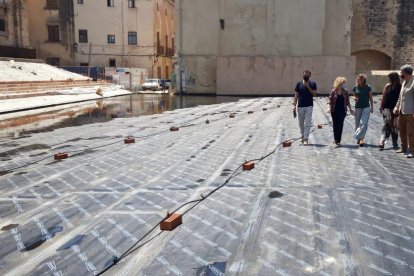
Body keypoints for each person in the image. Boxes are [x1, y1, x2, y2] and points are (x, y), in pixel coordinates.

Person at [394, 65, 414, 158]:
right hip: (402, 111)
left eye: (401, 72)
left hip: (411, 112)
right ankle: (404, 147)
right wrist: (397, 107)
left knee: (411, 132)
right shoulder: (404, 82)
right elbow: (400, 97)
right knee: (401, 130)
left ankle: (412, 150)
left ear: (406, 73)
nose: (400, 74)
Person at [292, 70, 317, 145]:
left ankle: (306, 138)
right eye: (305, 74)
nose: (306, 75)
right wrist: (294, 104)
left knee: (308, 123)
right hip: (300, 106)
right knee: (301, 123)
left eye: (307, 74)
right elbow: (296, 95)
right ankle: (303, 135)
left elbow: (315, 94)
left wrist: (308, 87)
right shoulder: (298, 84)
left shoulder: (313, 84)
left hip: (309, 106)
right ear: (303, 75)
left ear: (310, 75)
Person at [328, 77, 353, 147]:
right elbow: (330, 101)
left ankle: (338, 141)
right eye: (342, 83)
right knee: (335, 125)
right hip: (334, 110)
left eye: (344, 83)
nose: (343, 84)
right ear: (338, 83)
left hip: (342, 111)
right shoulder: (333, 91)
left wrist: (350, 109)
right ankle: (335, 140)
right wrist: (329, 108)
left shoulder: (345, 91)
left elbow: (347, 101)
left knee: (340, 124)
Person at [379, 72, 401, 150]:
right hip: (386, 108)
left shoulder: (400, 86)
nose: (389, 79)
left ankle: (395, 143)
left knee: (394, 126)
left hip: (396, 109)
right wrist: (381, 106)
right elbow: (383, 96)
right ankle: (382, 141)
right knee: (387, 125)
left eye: (390, 77)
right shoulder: (388, 86)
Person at [352, 74, 374, 147]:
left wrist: (372, 107)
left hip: (366, 107)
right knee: (357, 123)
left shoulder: (368, 87)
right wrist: (354, 98)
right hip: (358, 107)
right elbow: (354, 95)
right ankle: (358, 138)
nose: (357, 80)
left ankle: (362, 139)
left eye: (358, 79)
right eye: (357, 79)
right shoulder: (355, 87)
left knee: (363, 123)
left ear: (363, 80)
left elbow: (371, 97)